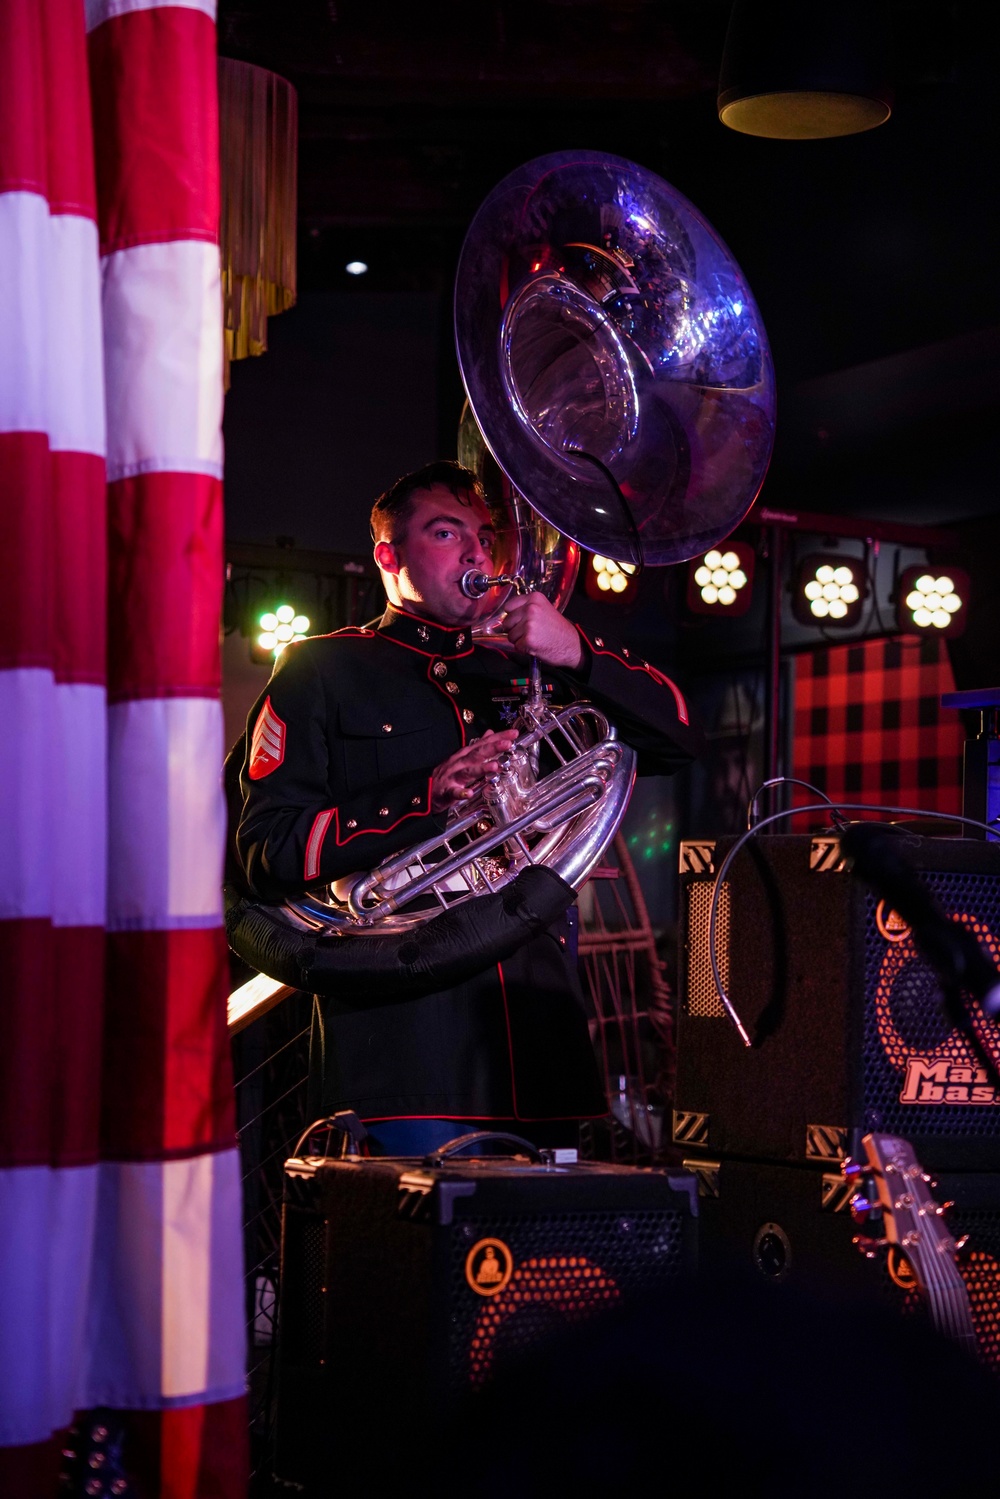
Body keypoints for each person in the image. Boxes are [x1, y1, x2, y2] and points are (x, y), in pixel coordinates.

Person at [234, 460, 701, 1153]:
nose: (478, 553)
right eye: (447, 533)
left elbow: (678, 741)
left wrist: (574, 648)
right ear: (390, 556)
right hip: (403, 1059)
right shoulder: (321, 669)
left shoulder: (527, 666)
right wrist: (425, 798)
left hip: (544, 1054)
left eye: (484, 536)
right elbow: (263, 850)